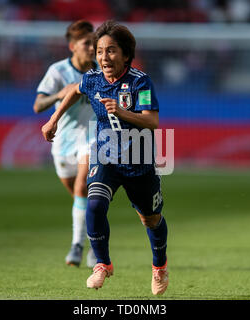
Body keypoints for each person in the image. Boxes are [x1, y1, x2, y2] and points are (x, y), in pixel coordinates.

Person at [41, 20, 169, 295]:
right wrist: (53, 119)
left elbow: (152, 121)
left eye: (111, 51)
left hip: (138, 160)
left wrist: (123, 113)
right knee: (95, 204)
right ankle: (102, 263)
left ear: (125, 54)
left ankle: (159, 266)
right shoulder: (93, 78)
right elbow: (75, 91)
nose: (104, 57)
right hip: (105, 154)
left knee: (151, 219)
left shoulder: (140, 82)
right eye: (100, 51)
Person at [34, 20, 97, 268]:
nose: (92, 48)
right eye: (86, 44)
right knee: (84, 201)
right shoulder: (58, 72)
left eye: (94, 43)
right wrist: (60, 95)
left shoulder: (101, 71)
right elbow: (38, 105)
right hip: (63, 142)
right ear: (72, 46)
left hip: (92, 138)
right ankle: (95, 242)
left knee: (84, 189)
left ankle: (76, 247)